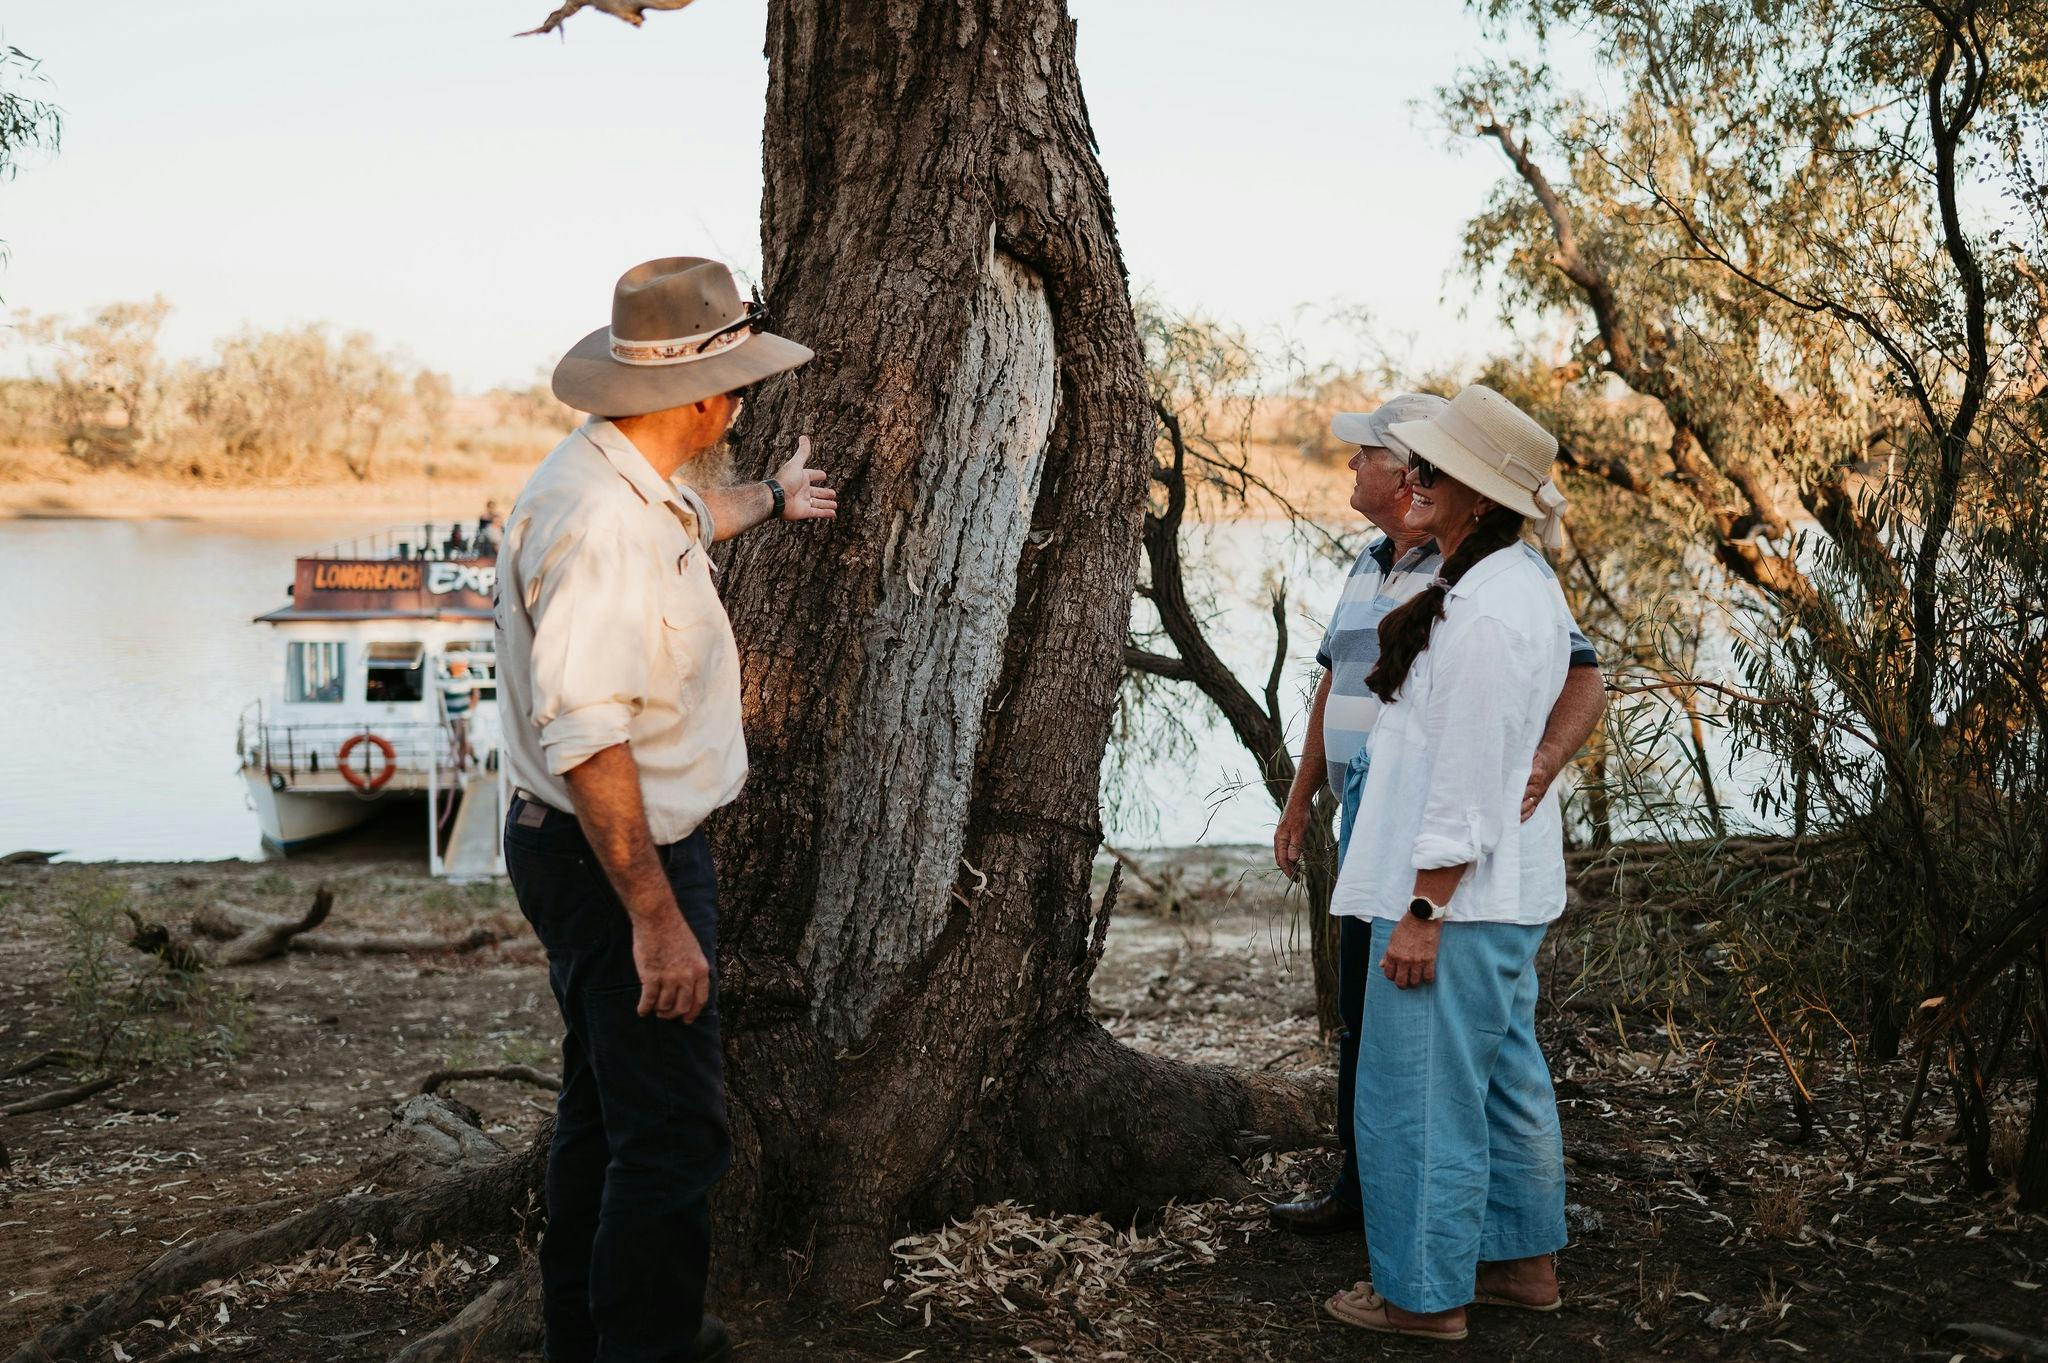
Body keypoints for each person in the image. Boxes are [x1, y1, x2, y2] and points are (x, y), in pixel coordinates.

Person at [495, 257, 837, 1363]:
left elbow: (690, 520)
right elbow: (588, 736)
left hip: (600, 851)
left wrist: (776, 498)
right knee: (673, 1137)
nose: (740, 400)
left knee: (604, 1116)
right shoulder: (596, 523)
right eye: (734, 381)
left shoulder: (624, 484)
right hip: (616, 860)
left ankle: (584, 1339)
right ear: (699, 399)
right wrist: (653, 914)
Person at [1267, 395, 1605, 1236]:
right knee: (1380, 1029)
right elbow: (1337, 688)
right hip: (1382, 834)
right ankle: (1387, 1199)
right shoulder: (1377, 565)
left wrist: (1538, 765)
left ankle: (1426, 1270)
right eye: (1405, 460)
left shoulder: (1485, 590)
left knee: (1427, 1068)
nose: (1384, 471)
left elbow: (1571, 690)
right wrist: (1304, 794)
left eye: (1413, 462)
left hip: (1437, 857)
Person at [1320, 385, 1580, 1343]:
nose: (1413, 478)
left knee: (1417, 1099)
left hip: (1454, 903)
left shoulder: (1486, 612)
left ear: (1475, 492)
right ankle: (1521, 1264)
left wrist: (1423, 909)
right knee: (1505, 1077)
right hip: (1501, 895)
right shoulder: (1507, 582)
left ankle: (1421, 1298)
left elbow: (1468, 773)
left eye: (1432, 468)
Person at [440, 655, 476, 769]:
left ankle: (462, 764)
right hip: (452, 715)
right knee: (459, 739)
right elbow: (440, 697)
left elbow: (476, 693)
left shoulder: (467, 675)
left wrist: (470, 709)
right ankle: (469, 759)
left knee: (462, 740)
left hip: (465, 714)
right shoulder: (444, 677)